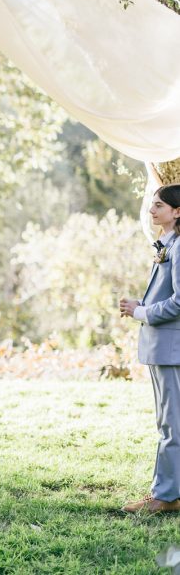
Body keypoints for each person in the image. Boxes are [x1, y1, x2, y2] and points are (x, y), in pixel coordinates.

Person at [119, 183, 180, 514]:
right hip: (164, 347)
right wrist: (140, 304)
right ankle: (169, 492)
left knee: (172, 425)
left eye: (158, 205)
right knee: (169, 423)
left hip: (173, 349)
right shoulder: (168, 245)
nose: (152, 210)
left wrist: (142, 313)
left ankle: (166, 497)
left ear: (177, 211)